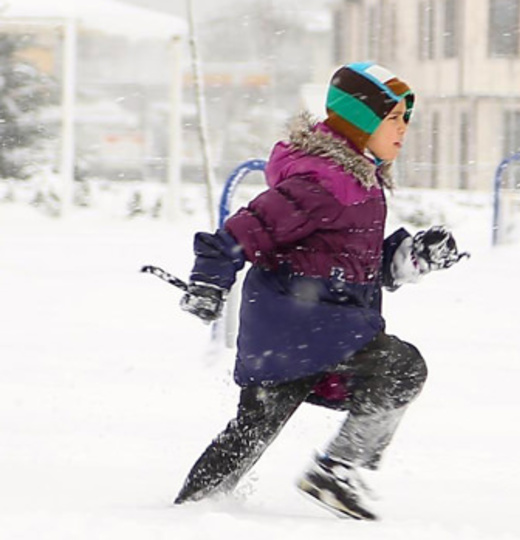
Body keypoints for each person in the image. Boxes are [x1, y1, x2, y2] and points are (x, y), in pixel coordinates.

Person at [171, 62, 468, 521]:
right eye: (393, 118)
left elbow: (349, 263)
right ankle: (334, 471)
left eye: (405, 119)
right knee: (400, 369)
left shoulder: (356, 180)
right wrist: (210, 280)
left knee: (251, 432)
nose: (403, 129)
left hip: (310, 329)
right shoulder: (324, 182)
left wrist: (411, 257)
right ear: (360, 120)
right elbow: (246, 230)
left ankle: (193, 508)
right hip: (301, 327)